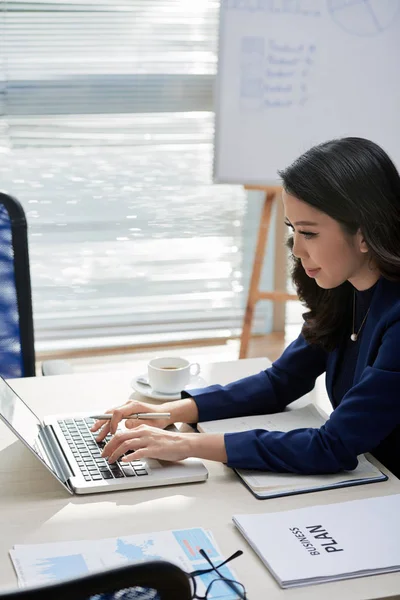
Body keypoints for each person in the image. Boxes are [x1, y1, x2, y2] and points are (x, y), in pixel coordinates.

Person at [91, 137, 400, 477]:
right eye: (292, 229)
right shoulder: (343, 288)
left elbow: (330, 447)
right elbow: (281, 382)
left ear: (365, 234)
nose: (296, 249)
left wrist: (187, 446)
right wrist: (169, 412)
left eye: (309, 233)